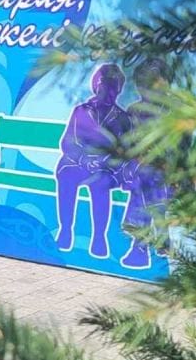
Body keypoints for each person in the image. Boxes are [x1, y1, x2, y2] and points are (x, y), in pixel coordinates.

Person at [55, 63, 131, 258]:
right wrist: (83, 159)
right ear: (97, 85)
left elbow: (126, 150)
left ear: (119, 90)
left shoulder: (122, 118)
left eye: (115, 87)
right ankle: (65, 230)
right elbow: (68, 141)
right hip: (79, 163)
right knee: (66, 175)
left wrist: (104, 161)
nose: (110, 92)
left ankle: (99, 238)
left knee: (101, 182)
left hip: (107, 168)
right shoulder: (81, 111)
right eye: (106, 86)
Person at [118, 58, 172, 268]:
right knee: (143, 179)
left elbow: (179, 145)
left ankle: (140, 247)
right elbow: (126, 141)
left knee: (148, 181)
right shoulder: (134, 110)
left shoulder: (172, 111)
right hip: (138, 167)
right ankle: (157, 239)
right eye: (143, 83)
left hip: (165, 170)